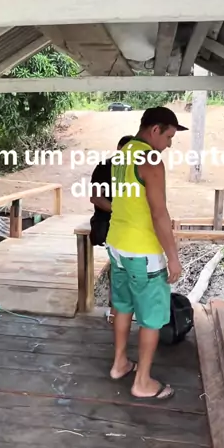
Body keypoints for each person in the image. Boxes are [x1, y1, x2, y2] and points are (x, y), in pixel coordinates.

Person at [105, 107, 188, 401]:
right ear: (155, 130)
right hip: (143, 251)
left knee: (123, 306)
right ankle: (142, 382)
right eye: (169, 136)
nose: (169, 144)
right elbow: (158, 213)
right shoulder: (151, 159)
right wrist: (173, 257)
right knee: (152, 318)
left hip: (116, 245)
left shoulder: (123, 153)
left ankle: (120, 363)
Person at [89, 135, 134, 324]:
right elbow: (96, 198)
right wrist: (119, 211)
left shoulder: (138, 170)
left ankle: (126, 308)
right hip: (107, 220)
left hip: (132, 223)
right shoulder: (103, 167)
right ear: (118, 148)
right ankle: (116, 309)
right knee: (119, 266)